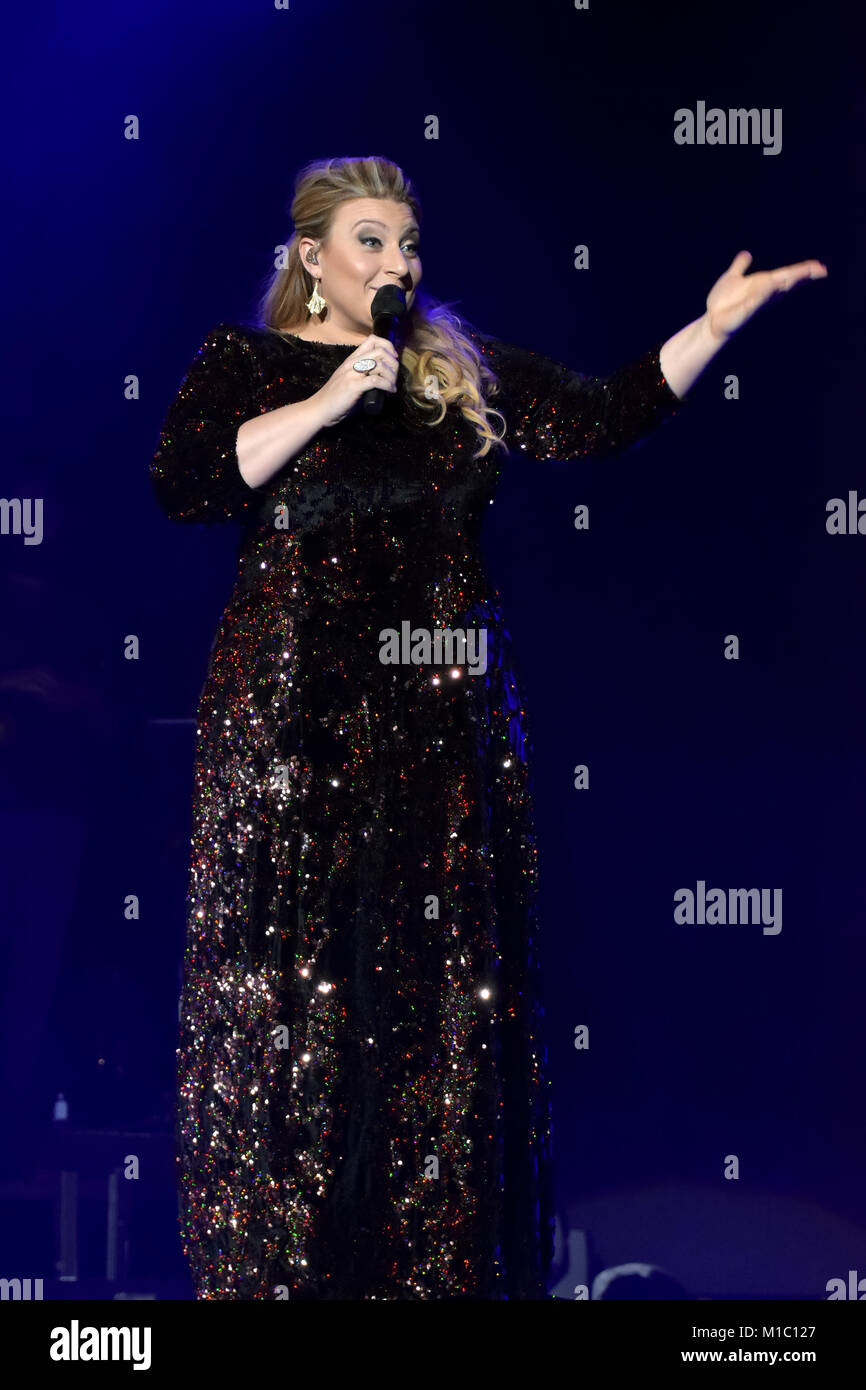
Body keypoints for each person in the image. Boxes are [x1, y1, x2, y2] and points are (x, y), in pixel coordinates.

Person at [149, 155, 826, 1300]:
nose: (397, 262)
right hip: (295, 744)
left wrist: (708, 329)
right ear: (311, 259)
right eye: (370, 240)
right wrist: (324, 401)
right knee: (305, 1017)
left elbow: (599, 414)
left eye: (408, 243)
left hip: (439, 745)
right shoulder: (247, 363)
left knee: (426, 1014)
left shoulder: (453, 370)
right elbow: (189, 483)